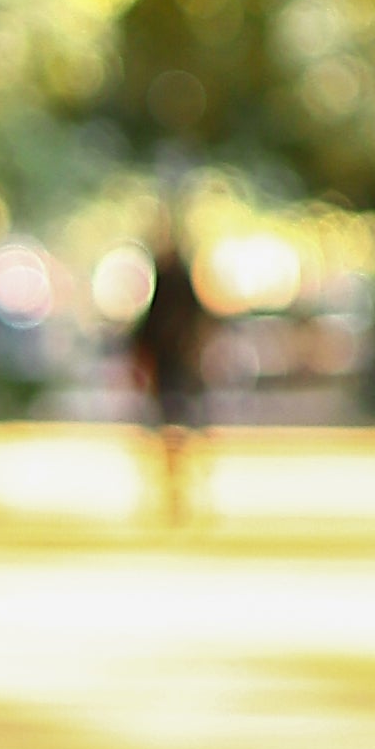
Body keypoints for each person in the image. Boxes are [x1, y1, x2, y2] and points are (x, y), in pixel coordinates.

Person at [129, 221, 209, 524]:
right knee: (174, 425)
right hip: (172, 365)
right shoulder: (169, 287)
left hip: (178, 365)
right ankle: (172, 482)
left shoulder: (175, 287)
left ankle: (177, 482)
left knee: (175, 425)